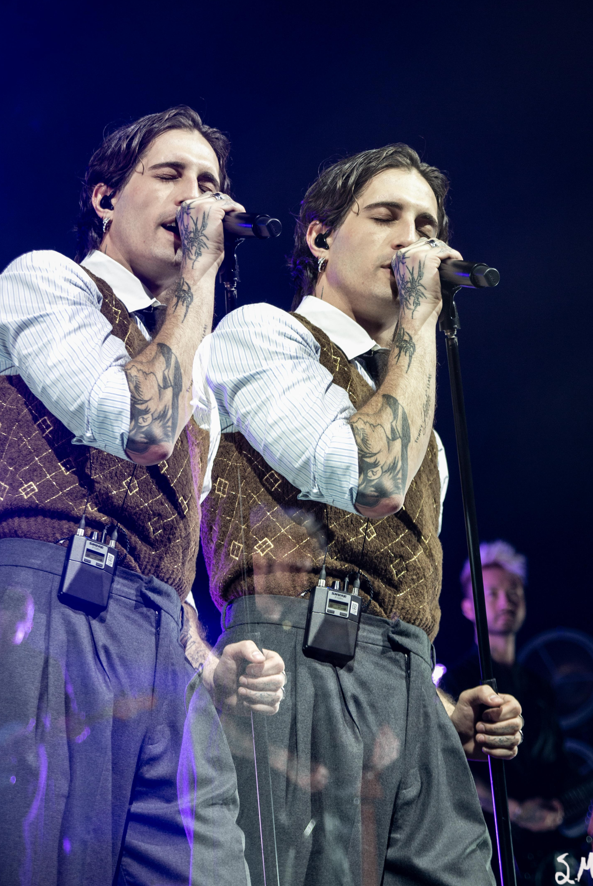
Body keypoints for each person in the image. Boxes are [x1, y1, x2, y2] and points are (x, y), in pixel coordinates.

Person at [192, 144, 524, 886]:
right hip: (293, 670)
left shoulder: (422, 430)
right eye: (386, 217)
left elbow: (391, 593)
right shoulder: (261, 336)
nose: (413, 241)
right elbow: (366, 474)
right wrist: (420, 317)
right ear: (319, 238)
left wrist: (444, 707)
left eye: (427, 226)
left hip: (409, 691)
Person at [0, 105, 284, 886]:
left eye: (209, 184)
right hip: (48, 613)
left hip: (161, 648)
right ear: (105, 198)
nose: (195, 198)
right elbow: (139, 424)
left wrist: (208, 665)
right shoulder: (48, 281)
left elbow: (169, 549)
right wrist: (199, 274)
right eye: (169, 175)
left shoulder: (193, 364)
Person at [440, 540, 593, 879]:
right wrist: (515, 811)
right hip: (486, 856)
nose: (506, 601)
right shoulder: (456, 683)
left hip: (547, 858)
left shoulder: (540, 687)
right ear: (468, 607)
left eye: (514, 591)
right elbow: (449, 771)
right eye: (492, 593)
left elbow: (560, 772)